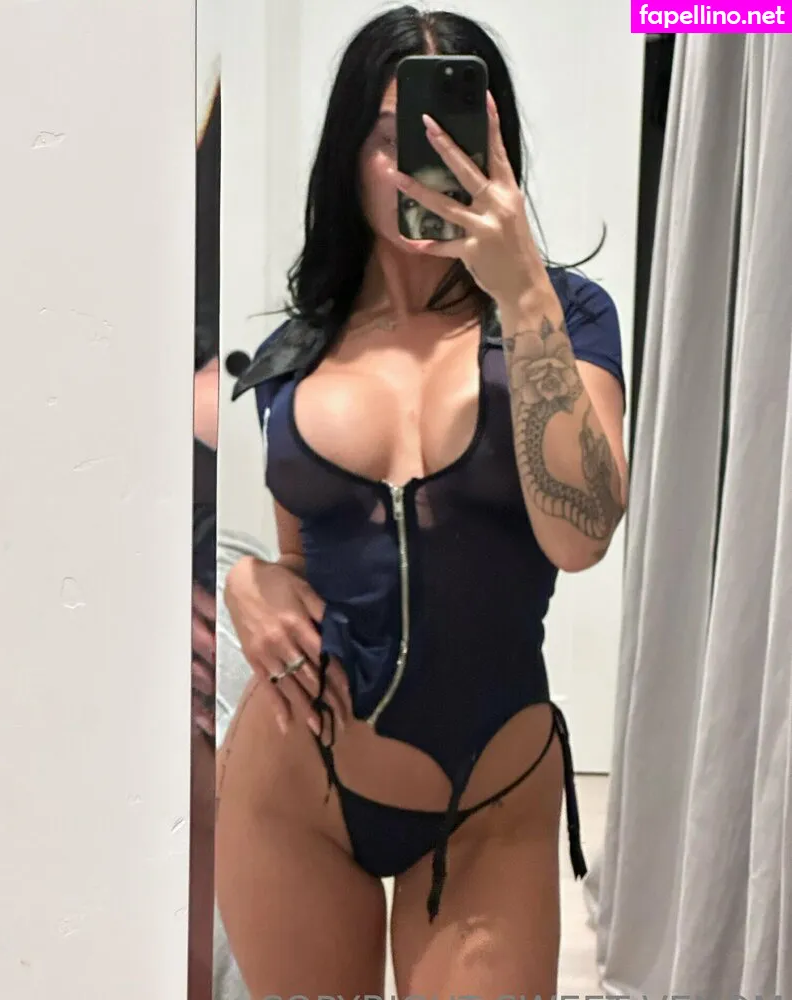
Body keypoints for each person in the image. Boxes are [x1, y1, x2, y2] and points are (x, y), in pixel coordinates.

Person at [215, 6, 628, 995]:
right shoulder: (295, 350)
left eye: (455, 134)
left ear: (499, 150)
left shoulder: (568, 317)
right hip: (298, 787)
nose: (423, 163)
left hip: (490, 797)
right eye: (393, 134)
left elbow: (581, 534)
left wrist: (521, 293)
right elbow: (308, 565)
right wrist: (248, 581)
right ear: (347, 154)